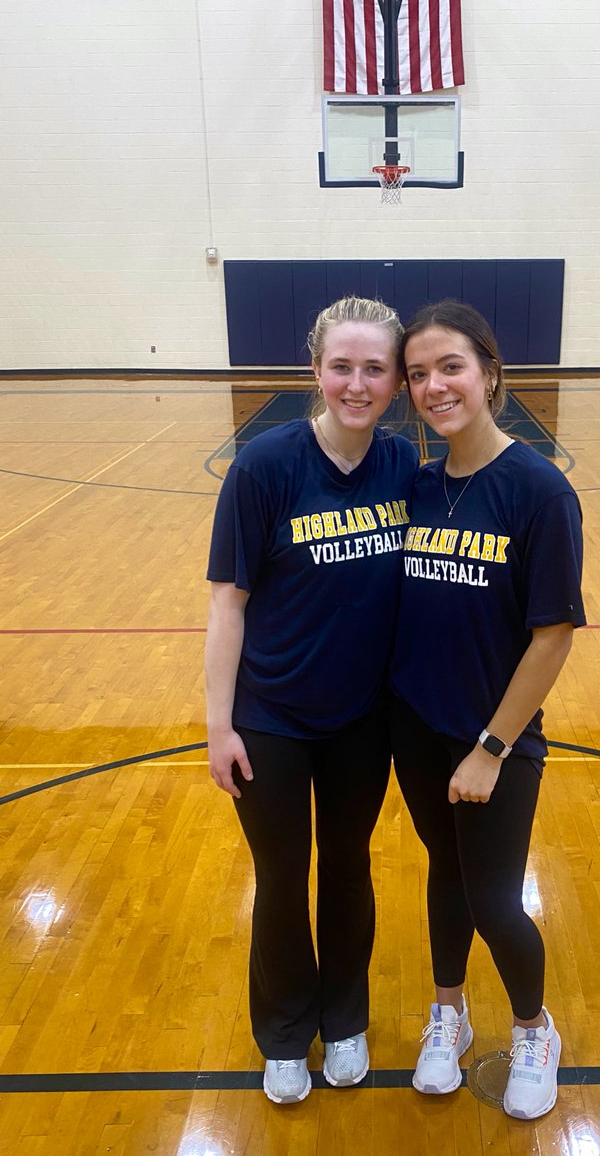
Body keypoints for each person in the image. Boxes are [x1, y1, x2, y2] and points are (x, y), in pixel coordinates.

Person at [205, 296, 417, 1104]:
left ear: (395, 381)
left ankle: (347, 1018)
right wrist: (219, 725)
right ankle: (286, 1033)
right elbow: (228, 603)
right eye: (341, 366)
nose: (356, 383)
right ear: (315, 372)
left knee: (350, 867)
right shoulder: (264, 467)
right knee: (283, 878)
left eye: (373, 368)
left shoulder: (404, 469)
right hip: (272, 723)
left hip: (364, 720)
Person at [389, 300, 585, 1121]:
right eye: (419, 374)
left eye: (451, 367)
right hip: (415, 730)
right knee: (447, 872)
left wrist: (493, 746)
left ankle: (536, 1030)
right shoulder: (420, 484)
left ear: (491, 373)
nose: (435, 386)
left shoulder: (539, 490)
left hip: (493, 744)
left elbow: (552, 637)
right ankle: (449, 1011)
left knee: (496, 898)